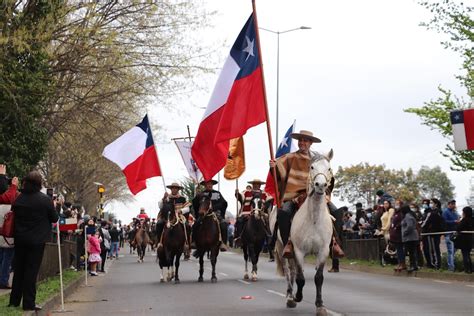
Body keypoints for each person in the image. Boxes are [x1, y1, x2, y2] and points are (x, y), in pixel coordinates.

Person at [269, 129, 328, 258]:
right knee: (283, 213)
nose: (302, 142)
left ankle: (335, 244)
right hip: (294, 195)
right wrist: (273, 167)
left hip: (315, 194)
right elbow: (278, 173)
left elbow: (327, 174)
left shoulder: (318, 159)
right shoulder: (290, 157)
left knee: (336, 212)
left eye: (305, 140)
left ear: (311, 143)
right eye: (300, 140)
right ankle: (287, 244)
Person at [9, 171, 59, 311]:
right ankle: (29, 303)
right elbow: (55, 218)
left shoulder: (19, 199)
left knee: (19, 269)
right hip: (37, 241)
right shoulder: (44, 200)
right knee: (31, 271)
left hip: (20, 239)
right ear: (39, 184)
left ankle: (14, 300)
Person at [192, 179, 228, 251]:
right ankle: (194, 241)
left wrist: (213, 208)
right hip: (204, 214)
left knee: (223, 224)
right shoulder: (201, 194)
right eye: (208, 184)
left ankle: (223, 243)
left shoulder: (217, 193)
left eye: (211, 184)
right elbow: (195, 204)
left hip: (215, 213)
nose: (209, 185)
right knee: (195, 224)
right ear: (205, 185)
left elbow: (223, 203)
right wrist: (197, 196)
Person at [0, 164, 19, 289]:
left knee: (2, 255)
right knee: (6, 256)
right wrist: (13, 186)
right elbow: (8, 197)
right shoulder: (7, 196)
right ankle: (3, 280)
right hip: (7, 232)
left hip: (2, 232)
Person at [234, 179, 268, 246]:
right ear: (252, 185)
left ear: (260, 185)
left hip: (260, 214)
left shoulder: (264, 193)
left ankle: (269, 239)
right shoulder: (246, 192)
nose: (256, 185)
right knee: (240, 221)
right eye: (254, 184)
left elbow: (269, 200)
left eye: (257, 184)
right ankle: (239, 237)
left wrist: (263, 211)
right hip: (246, 213)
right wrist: (237, 193)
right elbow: (241, 196)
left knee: (267, 223)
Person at [157, 182, 189, 251]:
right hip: (167, 217)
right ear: (171, 189)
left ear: (178, 189)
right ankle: (159, 242)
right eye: (173, 188)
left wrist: (181, 211)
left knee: (187, 225)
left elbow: (187, 208)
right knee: (159, 224)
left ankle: (186, 243)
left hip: (179, 216)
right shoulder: (167, 198)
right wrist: (163, 199)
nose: (174, 189)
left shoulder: (182, 198)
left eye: (176, 188)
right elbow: (160, 206)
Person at [421, 198, 443, 269]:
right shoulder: (439, 211)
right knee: (436, 249)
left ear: (436, 204)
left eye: (431, 202)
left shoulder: (433, 212)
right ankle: (437, 264)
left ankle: (435, 264)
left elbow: (425, 223)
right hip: (436, 233)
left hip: (433, 233)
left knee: (434, 250)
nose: (430, 204)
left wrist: (420, 226)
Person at [454, 206, 473, 274]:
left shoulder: (464, 220)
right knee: (468, 255)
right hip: (470, 239)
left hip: (464, 240)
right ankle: (471, 269)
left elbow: (458, 228)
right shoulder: (472, 219)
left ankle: (466, 269)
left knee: (465, 255)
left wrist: (459, 222)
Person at [442, 199, 459, 272]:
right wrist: (454, 221)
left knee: (454, 250)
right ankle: (451, 268)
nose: (454, 205)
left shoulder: (455, 213)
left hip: (454, 234)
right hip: (448, 233)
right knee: (450, 251)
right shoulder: (445, 212)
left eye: (454, 204)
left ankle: (452, 266)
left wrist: (458, 221)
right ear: (448, 204)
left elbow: (457, 220)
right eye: (452, 204)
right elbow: (444, 221)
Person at [401, 205, 419, 272]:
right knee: (411, 252)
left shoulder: (407, 216)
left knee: (411, 252)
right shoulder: (408, 215)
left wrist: (405, 233)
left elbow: (410, 226)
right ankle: (414, 265)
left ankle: (413, 266)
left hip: (410, 237)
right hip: (410, 237)